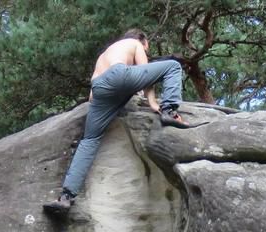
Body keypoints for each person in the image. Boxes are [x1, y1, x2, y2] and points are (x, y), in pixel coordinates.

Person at [44, 29, 189, 215]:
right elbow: (145, 75)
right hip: (120, 75)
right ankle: (169, 110)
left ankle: (66, 197)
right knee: (172, 66)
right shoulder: (135, 44)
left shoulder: (106, 54)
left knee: (89, 140)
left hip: (99, 89)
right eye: (147, 48)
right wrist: (153, 103)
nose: (146, 50)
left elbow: (91, 98)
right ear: (142, 41)